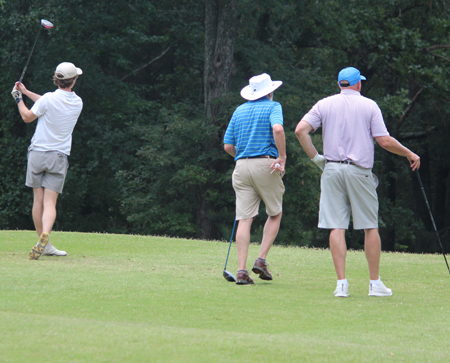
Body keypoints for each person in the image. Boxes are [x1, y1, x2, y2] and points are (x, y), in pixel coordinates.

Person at [295, 67, 420, 297]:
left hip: (331, 169)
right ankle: (374, 284)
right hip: (359, 171)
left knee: (336, 226)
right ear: (358, 84)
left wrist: (316, 159)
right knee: (370, 226)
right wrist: (409, 153)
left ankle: (341, 284)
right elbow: (384, 141)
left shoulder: (324, 104)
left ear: (339, 84)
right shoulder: (369, 105)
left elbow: (301, 130)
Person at [11, 62, 83, 260]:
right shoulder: (77, 102)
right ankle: (46, 238)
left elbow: (27, 116)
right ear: (73, 80)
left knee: (38, 200)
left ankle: (43, 241)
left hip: (37, 154)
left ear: (56, 79)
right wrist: (26, 92)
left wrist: (18, 98)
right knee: (50, 203)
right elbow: (45, 102)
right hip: (58, 156)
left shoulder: (49, 100)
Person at [224, 73, 286, 285]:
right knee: (275, 212)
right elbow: (277, 128)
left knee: (244, 219)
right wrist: (282, 157)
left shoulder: (238, 110)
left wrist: (242, 159)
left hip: (241, 167)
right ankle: (261, 260)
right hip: (266, 164)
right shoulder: (273, 106)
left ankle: (241, 271)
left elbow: (228, 146)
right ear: (269, 91)